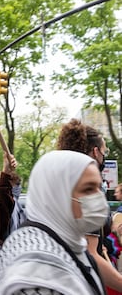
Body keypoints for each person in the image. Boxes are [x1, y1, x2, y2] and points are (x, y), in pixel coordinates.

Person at [0, 150, 107, 294]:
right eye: (88, 189)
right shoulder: (37, 274)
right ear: (57, 195)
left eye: (98, 188)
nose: (98, 197)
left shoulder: (68, 243)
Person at [57, 118, 122, 291]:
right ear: (95, 152)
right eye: (104, 151)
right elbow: (90, 254)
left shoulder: (63, 180)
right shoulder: (86, 187)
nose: (104, 156)